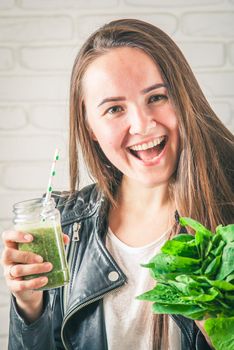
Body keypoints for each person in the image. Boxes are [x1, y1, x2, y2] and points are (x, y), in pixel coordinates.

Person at [1, 18, 234, 350]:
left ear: (184, 97)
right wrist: (29, 307)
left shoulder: (228, 214)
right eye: (114, 109)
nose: (141, 125)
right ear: (90, 127)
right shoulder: (64, 225)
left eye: (156, 97)